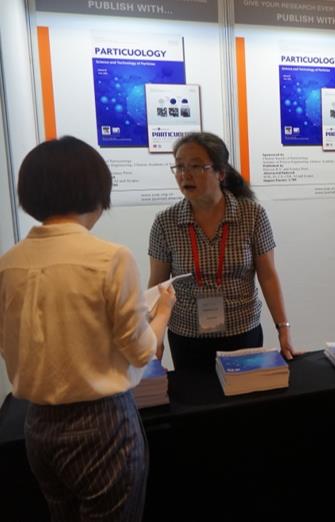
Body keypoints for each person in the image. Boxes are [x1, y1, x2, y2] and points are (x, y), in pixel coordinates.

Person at [0, 136, 175, 521]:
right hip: (101, 424)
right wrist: (162, 311)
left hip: (37, 425)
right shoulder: (110, 258)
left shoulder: (8, 264)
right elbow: (141, 352)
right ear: (95, 192)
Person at [148, 132, 297, 371]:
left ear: (220, 172)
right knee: (195, 395)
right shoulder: (165, 222)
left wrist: (284, 328)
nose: (185, 174)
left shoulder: (252, 215)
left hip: (242, 331)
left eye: (196, 166)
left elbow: (268, 276)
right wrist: (154, 338)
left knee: (243, 393)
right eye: (180, 166)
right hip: (187, 335)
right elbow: (158, 285)